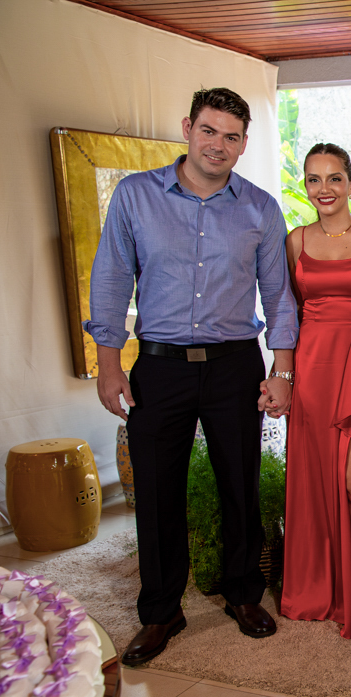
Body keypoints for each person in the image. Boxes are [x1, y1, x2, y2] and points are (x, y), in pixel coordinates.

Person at [86, 88, 298, 664]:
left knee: (240, 485)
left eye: (231, 136)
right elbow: (111, 279)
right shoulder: (135, 196)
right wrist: (109, 364)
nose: (218, 145)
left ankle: (243, 594)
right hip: (158, 367)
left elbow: (279, 296)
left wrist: (281, 370)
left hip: (235, 365)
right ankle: (160, 611)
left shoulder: (259, 208)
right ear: (188, 128)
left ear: (244, 144)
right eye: (209, 131)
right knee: (156, 492)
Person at [280, 143, 351, 640]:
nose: (323, 188)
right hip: (313, 370)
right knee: (317, 483)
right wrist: (284, 375)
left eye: (334, 178)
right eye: (313, 179)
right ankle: (325, 583)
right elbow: (288, 310)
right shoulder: (294, 241)